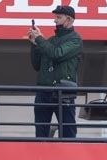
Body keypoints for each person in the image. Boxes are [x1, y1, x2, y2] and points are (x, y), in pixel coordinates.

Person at [28, 4, 82, 139]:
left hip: (64, 93)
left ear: (69, 20)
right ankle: (41, 157)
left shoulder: (75, 39)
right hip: (44, 91)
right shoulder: (50, 41)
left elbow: (57, 54)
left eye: (58, 17)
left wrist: (40, 39)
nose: (55, 20)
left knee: (68, 132)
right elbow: (36, 65)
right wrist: (34, 45)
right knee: (41, 132)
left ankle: (68, 158)